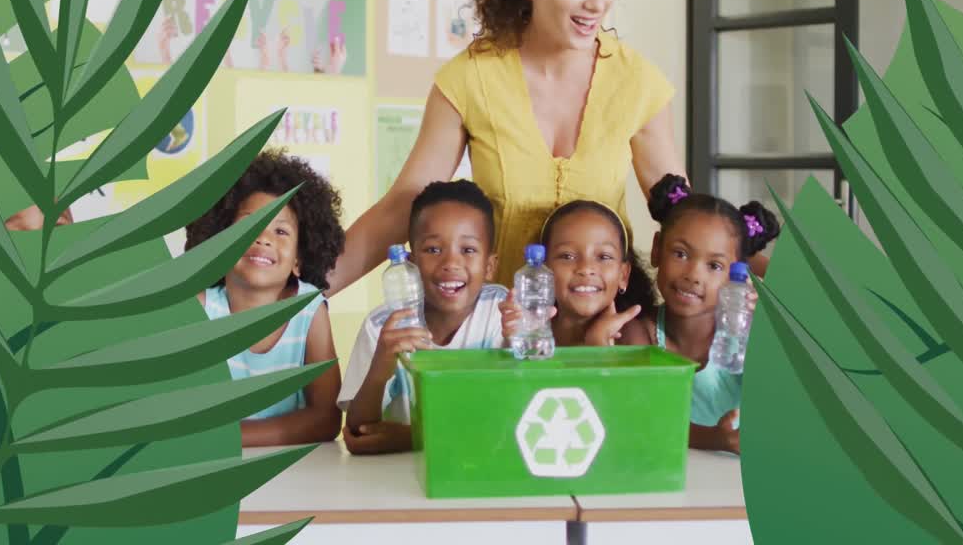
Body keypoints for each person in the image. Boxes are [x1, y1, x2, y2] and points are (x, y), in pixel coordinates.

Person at [328, 0, 686, 294]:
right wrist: (300, 296)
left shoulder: (639, 83)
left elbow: (684, 220)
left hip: (602, 332)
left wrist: (759, 260)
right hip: (497, 332)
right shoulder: (471, 77)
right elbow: (403, 205)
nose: (597, 2)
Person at [184, 150, 344, 446]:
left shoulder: (309, 312)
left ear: (299, 259)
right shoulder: (199, 309)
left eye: (281, 230)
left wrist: (232, 436)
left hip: (296, 476)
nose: (263, 237)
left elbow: (327, 419)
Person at [339, 180, 508, 455]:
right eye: (432, 250)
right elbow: (359, 431)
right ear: (411, 261)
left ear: (489, 266)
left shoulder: (501, 313)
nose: (450, 263)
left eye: (468, 250)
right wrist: (382, 363)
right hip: (394, 482)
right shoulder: (382, 326)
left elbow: (506, 421)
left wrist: (413, 438)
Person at [621, 174, 779, 454]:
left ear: (736, 276)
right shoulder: (637, 334)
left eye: (714, 266)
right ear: (657, 250)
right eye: (680, 254)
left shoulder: (748, 337)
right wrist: (714, 440)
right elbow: (644, 419)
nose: (694, 275)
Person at [500, 199, 646, 348]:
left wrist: (597, 339)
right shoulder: (532, 330)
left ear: (623, 275)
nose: (586, 268)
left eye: (604, 257)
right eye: (567, 256)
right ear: (543, 270)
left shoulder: (632, 336)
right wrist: (512, 340)